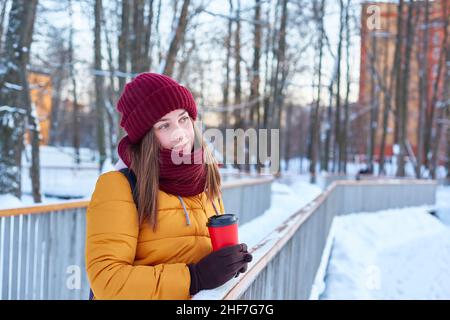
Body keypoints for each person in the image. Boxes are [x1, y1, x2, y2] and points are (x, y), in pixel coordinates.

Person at [85, 73, 252, 300]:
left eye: (183, 119)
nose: (179, 134)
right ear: (145, 136)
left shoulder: (206, 178)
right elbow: (107, 280)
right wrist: (195, 278)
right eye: (164, 125)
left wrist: (227, 263)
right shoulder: (118, 186)